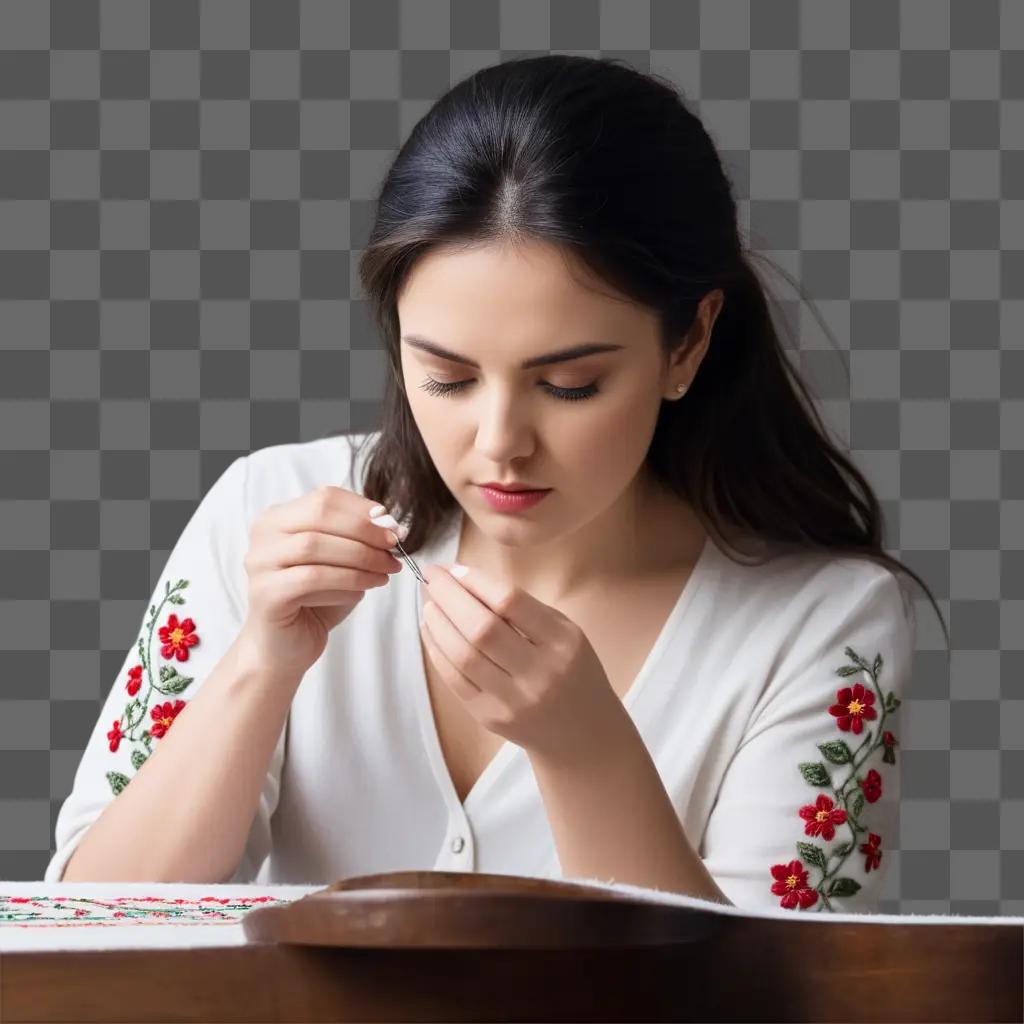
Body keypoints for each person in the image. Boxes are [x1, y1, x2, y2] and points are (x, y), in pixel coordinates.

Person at [46, 54, 946, 913]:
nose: (500, 443)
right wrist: (260, 665)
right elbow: (84, 926)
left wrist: (588, 752)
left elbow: (785, 996)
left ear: (688, 343)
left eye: (570, 385)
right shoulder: (267, 512)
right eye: (445, 376)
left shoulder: (822, 623)